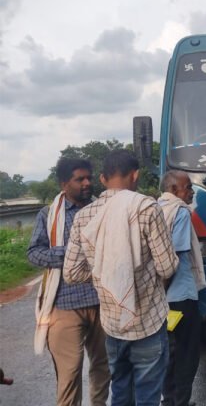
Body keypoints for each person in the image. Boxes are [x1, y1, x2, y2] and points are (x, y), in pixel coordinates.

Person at [63, 150, 179, 406]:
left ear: (103, 179)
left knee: (121, 389)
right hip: (148, 322)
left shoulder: (84, 216)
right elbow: (167, 267)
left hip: (113, 325)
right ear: (135, 175)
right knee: (148, 395)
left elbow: (71, 273)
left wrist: (104, 273)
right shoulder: (146, 207)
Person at [27, 158, 110, 406]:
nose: (87, 183)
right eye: (80, 179)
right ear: (64, 184)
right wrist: (70, 254)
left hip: (101, 302)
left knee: (103, 367)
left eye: (89, 177)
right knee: (70, 372)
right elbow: (34, 253)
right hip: (64, 305)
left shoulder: (101, 210)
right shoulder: (49, 215)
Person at [157, 171, 206, 406]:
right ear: (174, 189)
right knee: (187, 354)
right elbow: (174, 257)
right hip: (180, 298)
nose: (191, 191)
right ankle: (181, 402)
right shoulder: (180, 212)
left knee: (170, 352)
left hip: (163, 300)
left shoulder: (155, 208)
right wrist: (164, 290)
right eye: (187, 187)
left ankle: (169, 401)